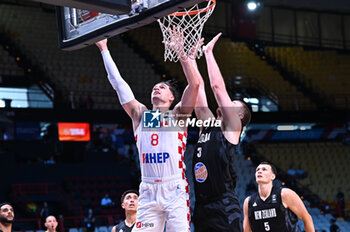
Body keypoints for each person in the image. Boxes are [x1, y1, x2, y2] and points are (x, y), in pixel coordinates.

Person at [96, 33, 199, 232]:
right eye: (155, 87)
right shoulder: (140, 114)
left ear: (171, 98)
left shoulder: (177, 116)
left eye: (162, 87)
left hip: (174, 190)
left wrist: (182, 55)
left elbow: (194, 85)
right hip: (149, 191)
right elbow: (118, 84)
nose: (157, 88)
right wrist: (104, 49)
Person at [189, 33, 251, 232]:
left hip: (223, 204)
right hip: (201, 205)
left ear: (239, 115)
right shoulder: (208, 123)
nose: (227, 104)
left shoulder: (232, 127)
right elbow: (198, 89)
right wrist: (190, 58)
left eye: (233, 104)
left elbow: (217, 87)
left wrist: (207, 53)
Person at [243, 162, 315, 232]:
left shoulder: (285, 194)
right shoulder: (248, 202)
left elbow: (307, 218)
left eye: (264, 169)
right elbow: (247, 230)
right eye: (257, 170)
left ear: (273, 176)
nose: (259, 171)